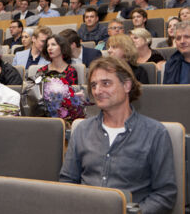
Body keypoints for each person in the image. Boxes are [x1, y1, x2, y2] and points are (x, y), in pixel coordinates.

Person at [60, 57, 177, 214]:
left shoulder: (155, 133)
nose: (98, 91)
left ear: (127, 85)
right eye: (94, 85)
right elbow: (67, 182)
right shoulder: (82, 130)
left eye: (106, 83)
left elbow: (165, 194)